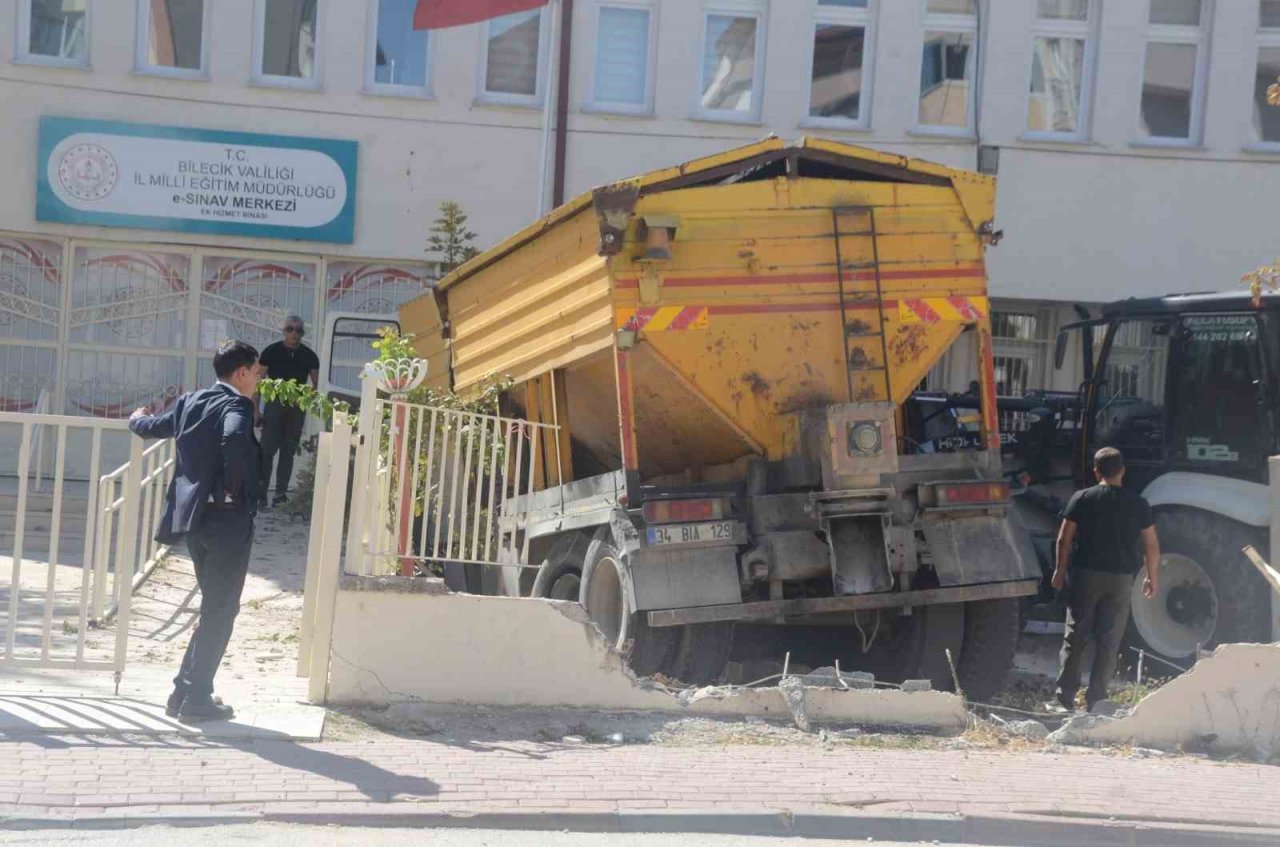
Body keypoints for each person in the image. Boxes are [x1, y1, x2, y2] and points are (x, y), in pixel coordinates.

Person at [129, 341, 263, 723]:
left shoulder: (190, 401)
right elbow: (235, 441)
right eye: (255, 371)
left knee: (214, 607)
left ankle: (183, 692)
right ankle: (198, 699)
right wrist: (237, 489)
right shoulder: (237, 405)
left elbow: (151, 427)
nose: (257, 378)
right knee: (221, 610)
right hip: (227, 521)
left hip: (195, 523)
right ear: (241, 373)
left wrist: (136, 418)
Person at [1051, 447, 1160, 713]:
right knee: (1110, 640)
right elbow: (1151, 545)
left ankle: (1064, 699)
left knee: (1076, 636)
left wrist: (1059, 569)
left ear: (1096, 471)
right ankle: (1097, 700)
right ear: (1122, 470)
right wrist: (1151, 577)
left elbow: (1064, 537)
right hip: (1122, 580)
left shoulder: (1083, 498)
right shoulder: (1138, 503)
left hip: (1087, 576)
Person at [257, 316, 320, 508]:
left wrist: (308, 400)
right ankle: (261, 494)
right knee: (266, 451)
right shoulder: (271, 352)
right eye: (290, 329)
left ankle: (280, 495)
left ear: (302, 334)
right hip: (274, 404)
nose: (294, 334)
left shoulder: (309, 356)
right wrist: (255, 410)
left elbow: (317, 384)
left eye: (299, 331)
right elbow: (258, 382)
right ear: (284, 331)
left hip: (295, 407)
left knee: (288, 451)